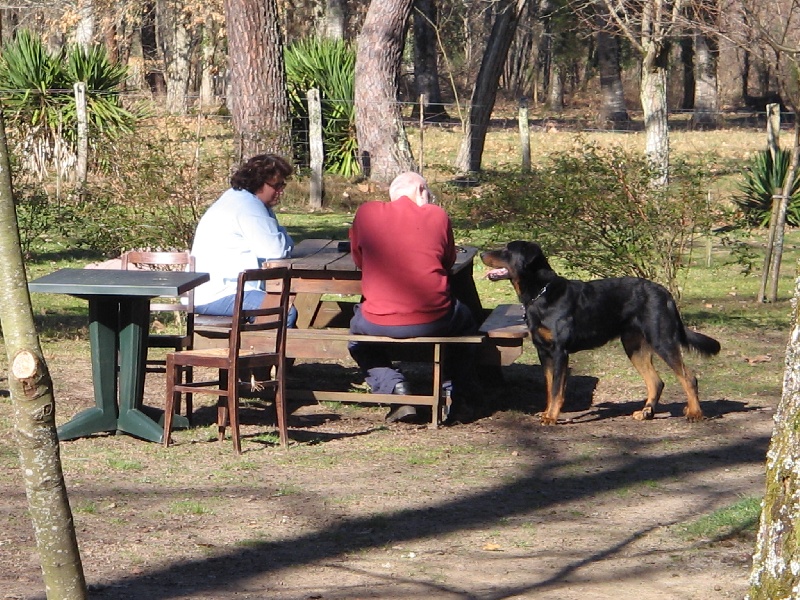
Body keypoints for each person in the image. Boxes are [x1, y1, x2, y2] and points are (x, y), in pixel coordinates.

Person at [348, 171, 478, 423]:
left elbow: (359, 259)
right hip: (435, 317)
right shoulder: (437, 215)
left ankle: (394, 388)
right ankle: (455, 393)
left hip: (377, 318)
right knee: (467, 327)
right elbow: (448, 261)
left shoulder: (365, 213)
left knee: (356, 338)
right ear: (421, 191)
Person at [191, 153, 297, 326]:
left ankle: (269, 350)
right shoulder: (248, 206)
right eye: (276, 186)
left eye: (282, 185)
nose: (280, 191)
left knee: (282, 306)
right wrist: (284, 239)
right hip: (221, 293)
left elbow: (277, 243)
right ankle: (266, 352)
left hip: (215, 290)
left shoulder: (239, 198)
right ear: (258, 183)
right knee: (285, 311)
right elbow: (276, 249)